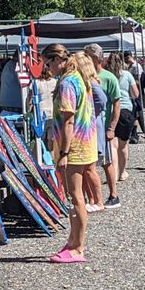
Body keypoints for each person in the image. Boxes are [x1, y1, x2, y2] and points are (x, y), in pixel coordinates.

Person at [49, 50, 98, 263]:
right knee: (74, 197)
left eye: (48, 62)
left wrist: (64, 152)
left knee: (75, 197)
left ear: (59, 59)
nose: (47, 68)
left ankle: (78, 246)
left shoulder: (67, 83)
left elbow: (68, 120)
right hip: (84, 142)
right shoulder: (78, 77)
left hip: (74, 146)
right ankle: (72, 241)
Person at [84, 44, 121, 209]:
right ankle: (91, 198)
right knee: (87, 164)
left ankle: (114, 195)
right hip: (87, 126)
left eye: (88, 57)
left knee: (106, 162)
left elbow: (116, 104)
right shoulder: (84, 76)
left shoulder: (108, 78)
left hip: (102, 125)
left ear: (97, 59)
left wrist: (111, 127)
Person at [107, 52, 139, 181]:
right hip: (125, 109)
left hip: (110, 110)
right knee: (123, 145)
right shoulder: (127, 75)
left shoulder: (107, 76)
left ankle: (113, 174)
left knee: (113, 145)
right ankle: (122, 172)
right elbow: (135, 94)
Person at [29, 45, 60, 151]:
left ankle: (40, 158)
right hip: (52, 112)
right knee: (51, 140)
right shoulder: (54, 82)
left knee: (40, 139)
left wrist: (28, 110)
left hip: (40, 113)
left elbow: (30, 100)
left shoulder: (35, 83)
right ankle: (51, 159)